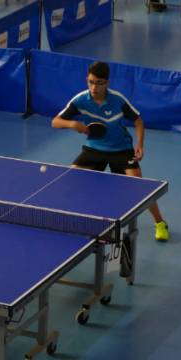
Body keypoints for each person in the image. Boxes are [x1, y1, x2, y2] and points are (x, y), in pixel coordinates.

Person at [51, 61, 169, 242]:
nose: (94, 87)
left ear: (107, 83)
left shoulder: (118, 100)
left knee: (140, 187)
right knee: (70, 179)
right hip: (94, 148)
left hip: (121, 149)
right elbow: (55, 122)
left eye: (99, 83)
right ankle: (70, 220)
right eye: (91, 82)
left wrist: (140, 145)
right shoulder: (80, 100)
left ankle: (160, 223)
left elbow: (138, 121)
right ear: (86, 79)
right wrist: (72, 123)